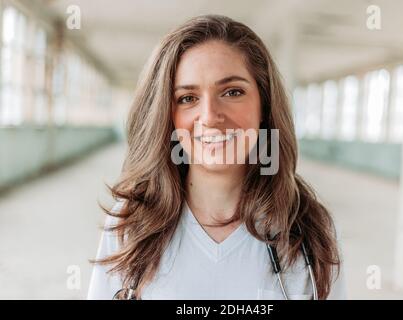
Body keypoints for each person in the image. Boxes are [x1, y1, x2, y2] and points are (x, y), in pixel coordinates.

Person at [87, 14, 346, 300]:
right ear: (166, 115)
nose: (210, 116)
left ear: (265, 105)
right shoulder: (129, 224)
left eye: (232, 92)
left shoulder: (309, 229)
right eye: (187, 98)